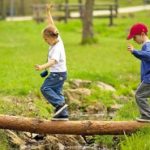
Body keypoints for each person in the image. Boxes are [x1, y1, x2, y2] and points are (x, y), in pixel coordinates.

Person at [35, 5, 69, 121]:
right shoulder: (58, 38)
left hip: (57, 74)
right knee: (57, 91)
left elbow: (53, 61)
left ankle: (60, 105)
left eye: (46, 39)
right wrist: (48, 12)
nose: (45, 41)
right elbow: (52, 25)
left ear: (51, 37)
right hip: (61, 74)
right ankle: (63, 114)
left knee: (45, 88)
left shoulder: (56, 48)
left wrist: (42, 67)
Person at [127, 23, 150, 122]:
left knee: (139, 95)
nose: (134, 40)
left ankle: (147, 116)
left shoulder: (147, 45)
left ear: (142, 34)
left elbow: (148, 55)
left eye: (134, 37)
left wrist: (134, 51)